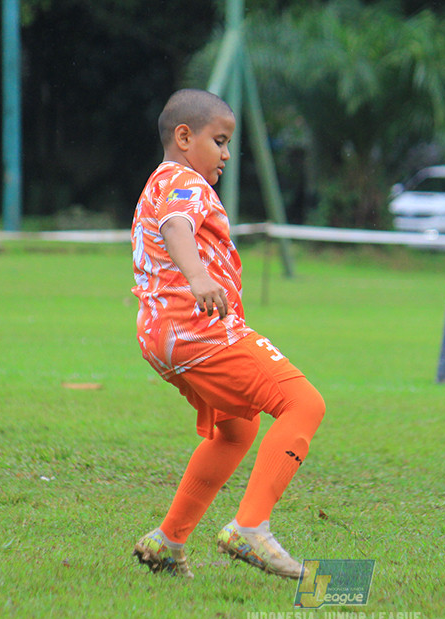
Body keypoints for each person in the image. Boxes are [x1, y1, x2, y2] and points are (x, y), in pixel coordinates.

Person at [130, 89, 325, 580]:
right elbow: (177, 226)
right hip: (198, 329)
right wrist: (198, 278)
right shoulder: (184, 182)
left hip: (162, 336)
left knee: (237, 430)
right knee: (303, 404)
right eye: (219, 141)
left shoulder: (156, 182)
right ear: (183, 136)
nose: (226, 154)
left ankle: (168, 540)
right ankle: (250, 527)